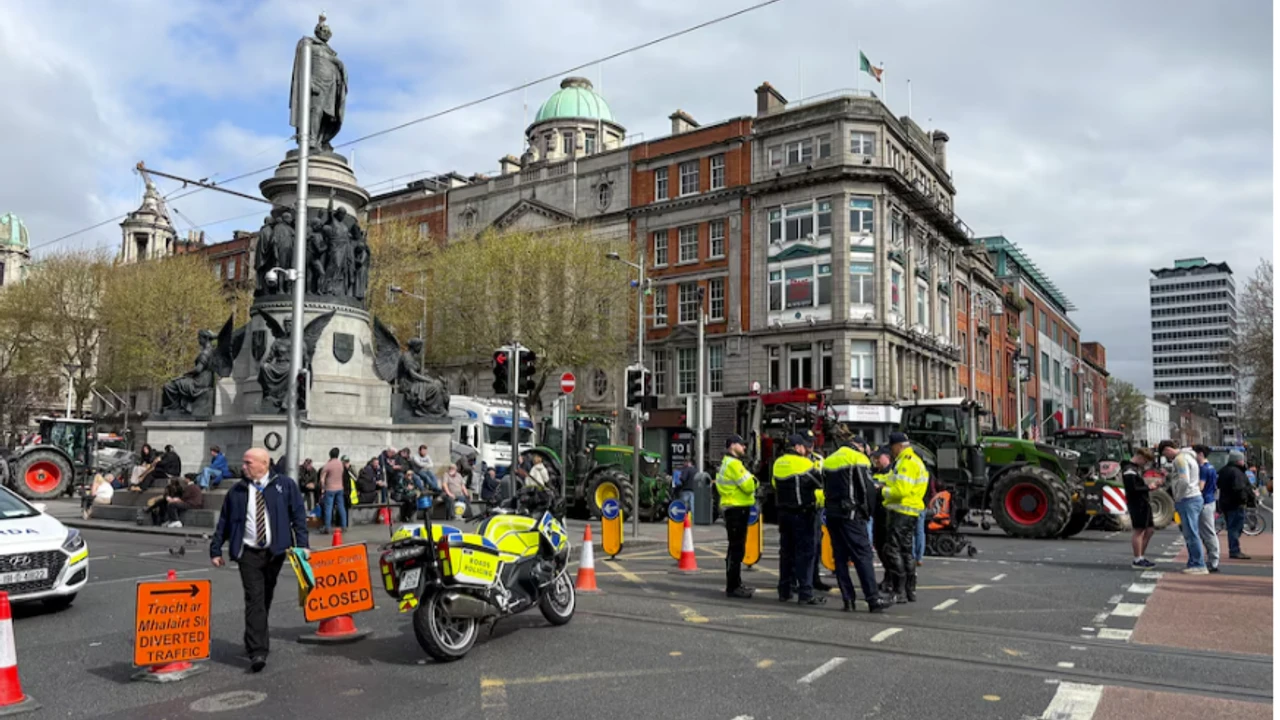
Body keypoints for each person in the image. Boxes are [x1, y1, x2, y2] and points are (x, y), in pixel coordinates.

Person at [210, 447, 309, 674]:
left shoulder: (284, 485)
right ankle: (258, 651)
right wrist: (216, 550)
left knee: (265, 597)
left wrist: (302, 545)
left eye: (248, 463)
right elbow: (224, 522)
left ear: (264, 464)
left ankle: (252, 636)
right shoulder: (237, 491)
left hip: (274, 552)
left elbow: (298, 515)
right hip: (248, 553)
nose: (243, 467)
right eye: (244, 463)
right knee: (254, 598)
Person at [822, 436, 892, 613]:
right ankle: (873, 599)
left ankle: (848, 600)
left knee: (840, 557)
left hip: (832, 513)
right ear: (861, 446)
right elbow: (867, 489)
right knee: (863, 555)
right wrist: (868, 513)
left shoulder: (829, 459)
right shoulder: (858, 458)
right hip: (852, 515)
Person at [772, 433, 824, 605]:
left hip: (783, 514)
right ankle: (805, 593)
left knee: (786, 553)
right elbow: (820, 482)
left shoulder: (778, 463)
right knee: (806, 554)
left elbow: (774, 484)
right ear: (797, 448)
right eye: (802, 446)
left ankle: (784, 591)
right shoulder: (804, 463)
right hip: (803, 513)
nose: (805, 449)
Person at [882, 432, 928, 603]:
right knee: (906, 551)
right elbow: (894, 480)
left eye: (892, 448)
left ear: (899, 446)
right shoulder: (914, 460)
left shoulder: (905, 463)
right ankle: (910, 590)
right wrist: (881, 480)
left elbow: (901, 490)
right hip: (911, 511)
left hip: (901, 511)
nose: (891, 451)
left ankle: (898, 590)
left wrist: (882, 491)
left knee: (892, 550)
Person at [715, 435, 757, 599]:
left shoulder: (728, 463)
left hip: (734, 508)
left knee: (735, 548)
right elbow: (748, 486)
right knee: (736, 549)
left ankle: (736, 584)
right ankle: (733, 587)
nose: (744, 448)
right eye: (742, 445)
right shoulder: (734, 464)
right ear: (733, 446)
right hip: (736, 508)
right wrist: (754, 481)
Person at [1158, 440, 1207, 575]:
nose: (1167, 457)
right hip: (1194, 497)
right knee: (1192, 532)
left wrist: (1178, 496)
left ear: (1168, 449)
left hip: (1187, 499)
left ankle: (1198, 564)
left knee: (1191, 533)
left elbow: (1184, 480)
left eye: (1165, 453)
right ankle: (1194, 562)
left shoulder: (1179, 460)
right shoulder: (1189, 457)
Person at [1122, 447, 1159, 568]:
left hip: (1143, 502)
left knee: (1149, 529)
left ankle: (1140, 556)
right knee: (1139, 530)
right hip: (1136, 503)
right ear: (1140, 457)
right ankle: (1138, 558)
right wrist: (1149, 487)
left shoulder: (1134, 469)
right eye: (1145, 461)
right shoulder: (1129, 471)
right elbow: (1132, 489)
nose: (1145, 464)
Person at [1217, 451, 1253, 560]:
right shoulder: (1237, 472)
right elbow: (1239, 488)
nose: (1243, 462)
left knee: (1232, 526)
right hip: (1235, 503)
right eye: (1242, 460)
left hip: (1225, 502)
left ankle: (1234, 549)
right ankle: (1234, 550)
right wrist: (1245, 499)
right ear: (1238, 460)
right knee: (1236, 527)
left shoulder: (1223, 471)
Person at [1193, 445, 1221, 573]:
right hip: (1210, 501)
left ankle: (1213, 560)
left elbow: (1201, 487)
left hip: (1204, 502)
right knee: (1208, 532)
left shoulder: (1203, 469)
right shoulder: (1211, 467)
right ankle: (1212, 559)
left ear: (1200, 454)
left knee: (1208, 532)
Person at [318, 448, 347, 534]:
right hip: (340, 488)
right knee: (341, 507)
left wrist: (322, 488)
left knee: (328, 508)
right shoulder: (340, 464)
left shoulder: (328, 465)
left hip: (330, 489)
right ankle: (344, 526)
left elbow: (322, 479)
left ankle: (327, 527)